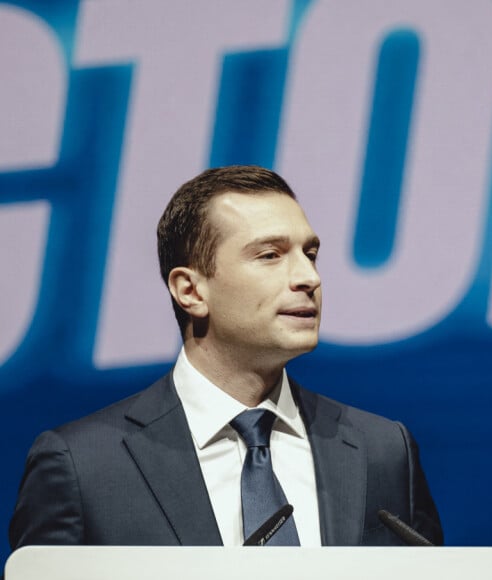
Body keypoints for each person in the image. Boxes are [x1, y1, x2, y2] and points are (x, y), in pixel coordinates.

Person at [9, 165, 443, 548]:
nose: (309, 277)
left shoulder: (382, 450)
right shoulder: (84, 466)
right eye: (271, 255)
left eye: (310, 254)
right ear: (190, 291)